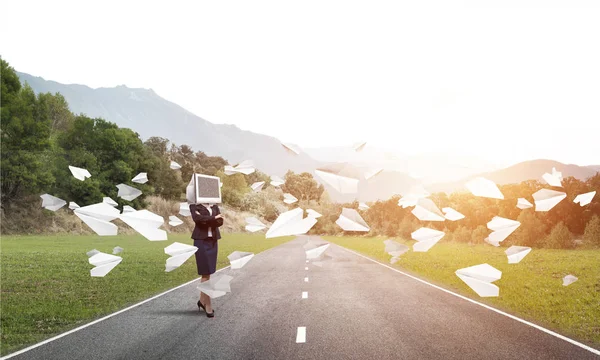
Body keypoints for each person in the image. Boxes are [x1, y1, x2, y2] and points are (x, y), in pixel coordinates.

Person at [190, 202, 224, 318]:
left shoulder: (214, 206)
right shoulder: (194, 206)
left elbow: (220, 222)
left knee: (209, 272)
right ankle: (208, 304)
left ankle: (201, 300)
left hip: (213, 241)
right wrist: (214, 218)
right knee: (205, 272)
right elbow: (198, 219)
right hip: (201, 241)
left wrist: (208, 219)